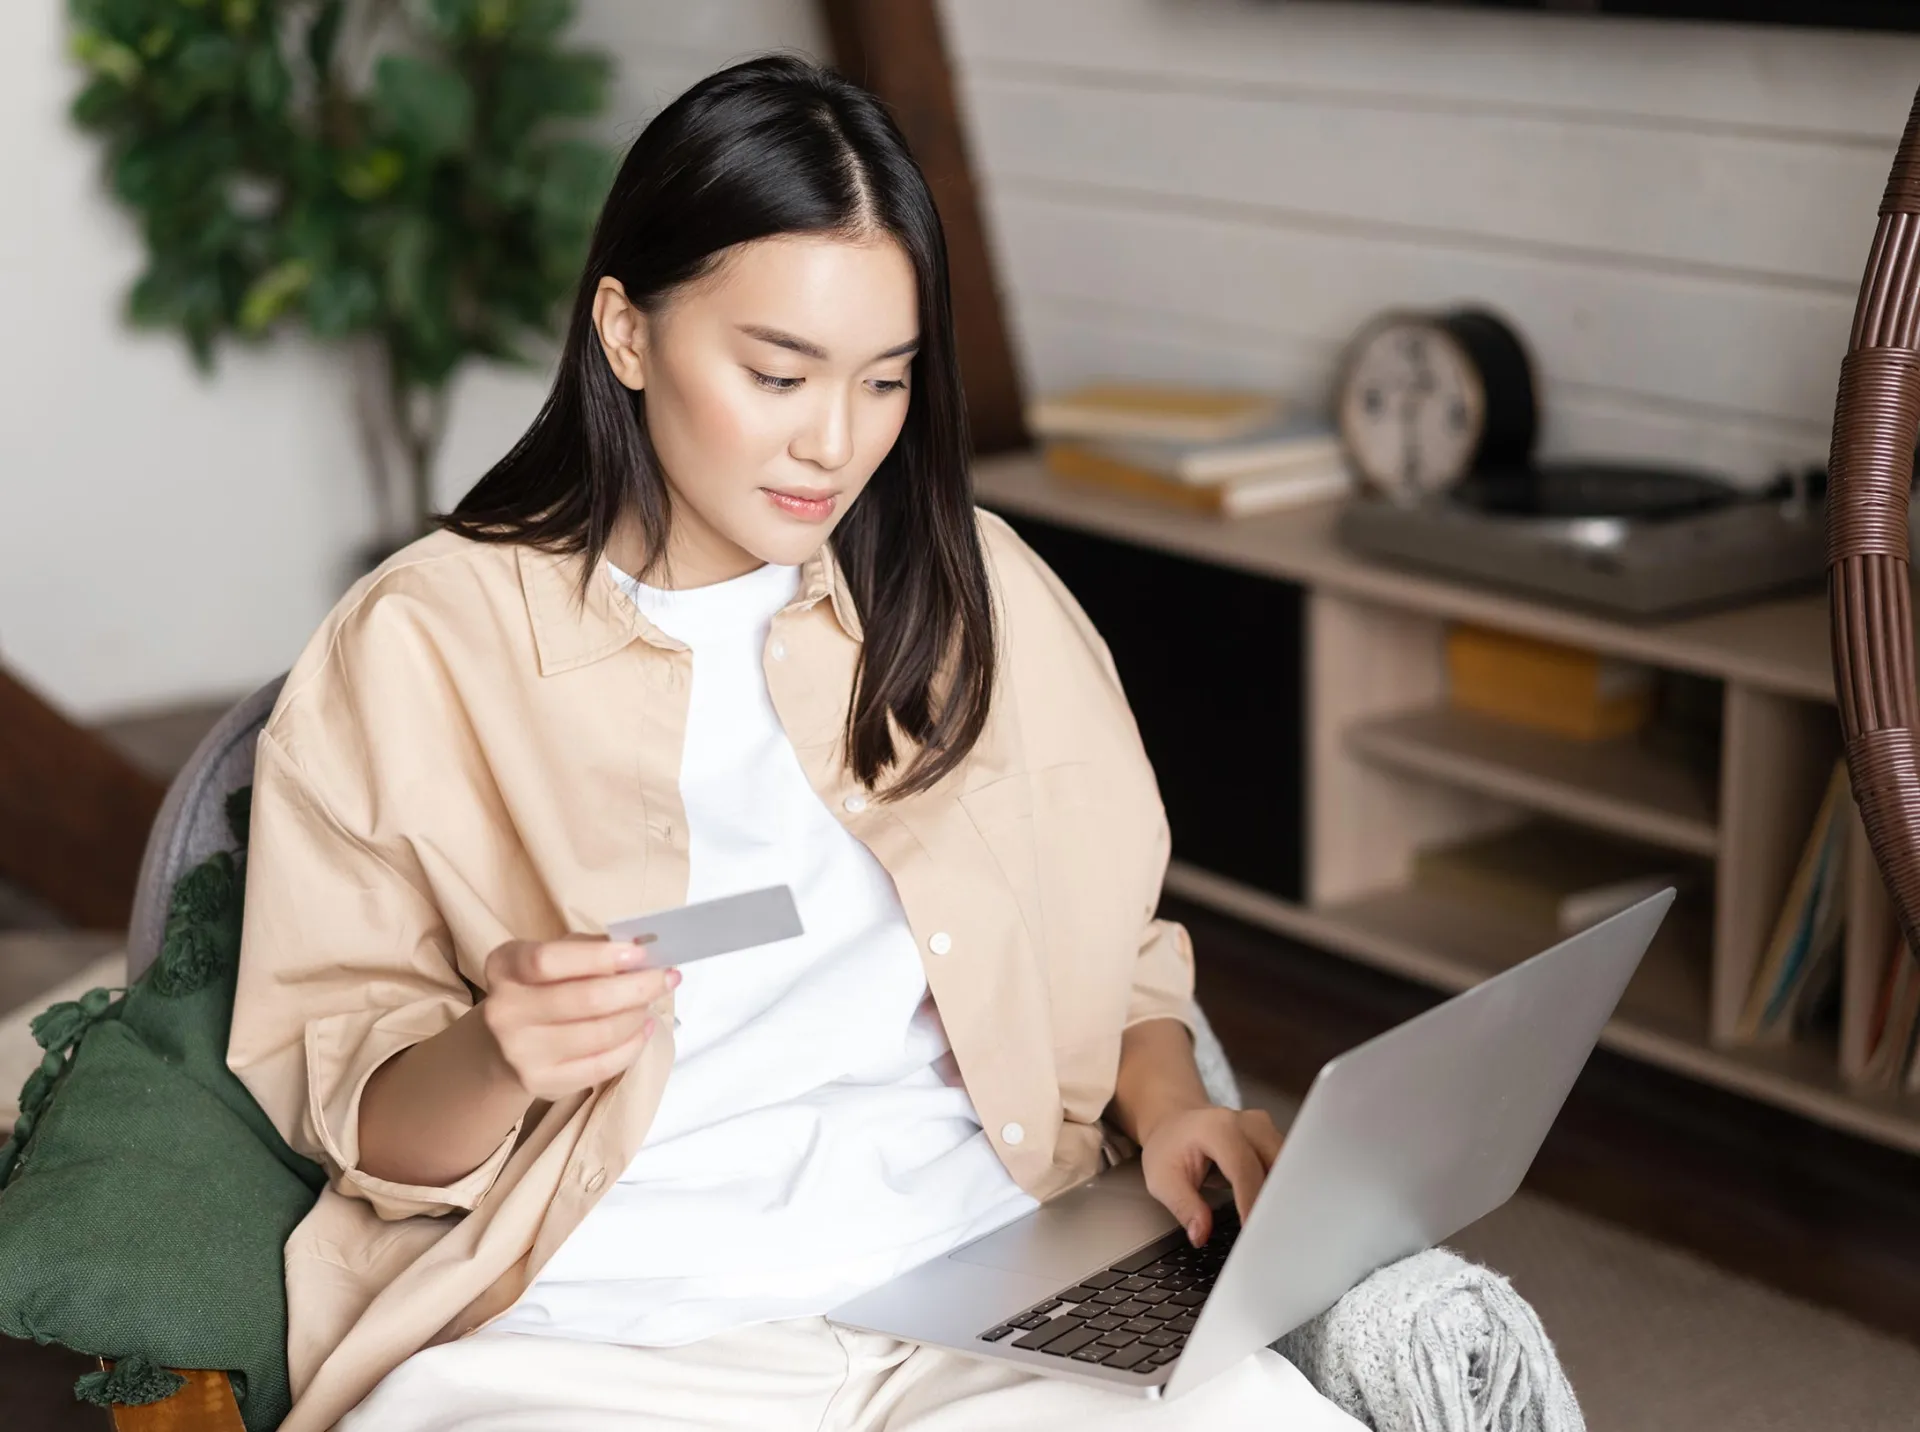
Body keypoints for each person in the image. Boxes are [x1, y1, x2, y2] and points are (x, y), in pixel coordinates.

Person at [226, 54, 1359, 1432]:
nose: (834, 442)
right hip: (605, 1335)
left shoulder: (974, 588)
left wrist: (1172, 1107)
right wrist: (498, 1050)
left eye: (885, 382)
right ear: (625, 333)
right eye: (777, 374)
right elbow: (353, 1121)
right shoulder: (420, 646)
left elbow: (1110, 946)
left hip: (988, 1285)